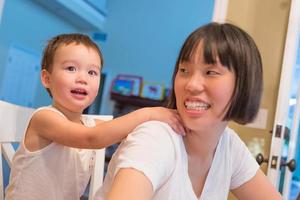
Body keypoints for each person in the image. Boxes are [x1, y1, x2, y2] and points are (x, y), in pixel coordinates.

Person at [94, 22, 282, 200]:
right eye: (184, 70)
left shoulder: (229, 147)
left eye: (210, 72)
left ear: (244, 84)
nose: (191, 85)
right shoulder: (156, 139)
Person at [5, 33, 185, 200]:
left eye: (92, 72)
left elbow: (119, 130)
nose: (82, 78)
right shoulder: (44, 118)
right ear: (47, 78)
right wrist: (149, 113)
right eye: (71, 68)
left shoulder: (92, 124)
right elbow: (92, 138)